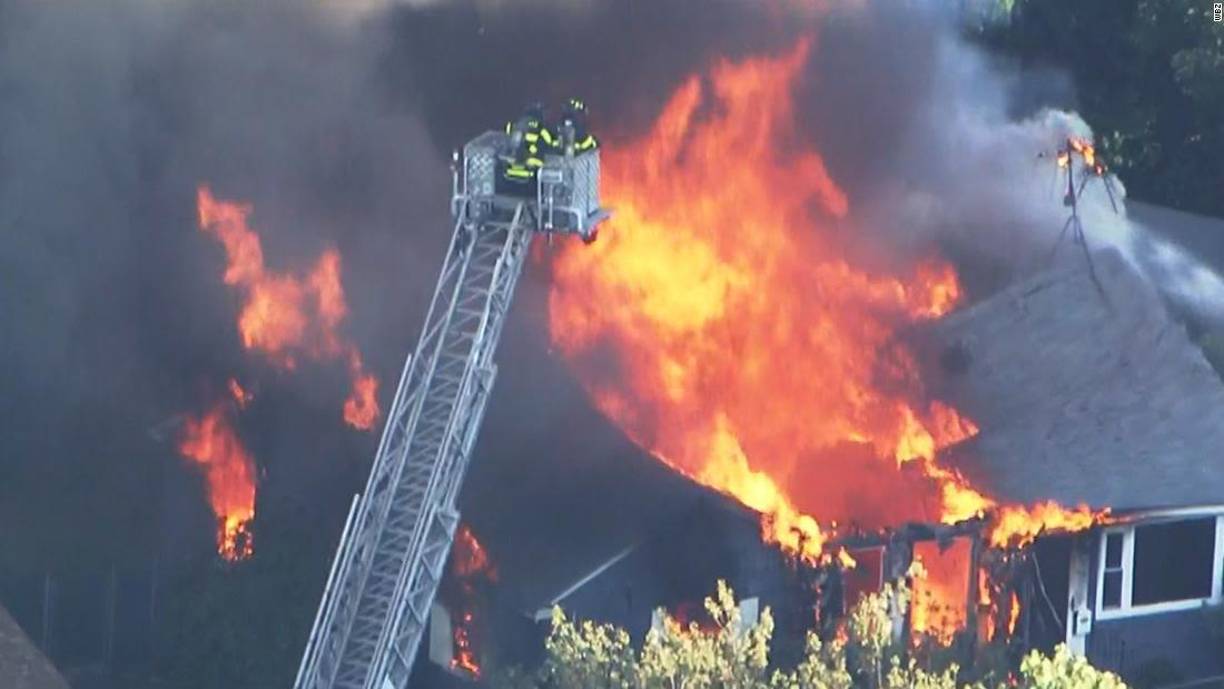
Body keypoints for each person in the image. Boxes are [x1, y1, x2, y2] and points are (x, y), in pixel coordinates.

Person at [501, 103, 557, 188]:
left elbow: (507, 131)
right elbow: (550, 142)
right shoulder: (541, 128)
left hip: (511, 167)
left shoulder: (516, 125)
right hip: (531, 169)